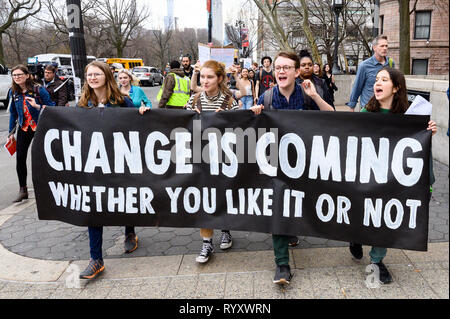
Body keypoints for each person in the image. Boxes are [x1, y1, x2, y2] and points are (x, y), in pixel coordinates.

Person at [250, 51, 334, 285]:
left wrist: (316, 97)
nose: (281, 71)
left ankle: (291, 230)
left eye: (287, 67)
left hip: (305, 165)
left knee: (298, 204)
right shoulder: (266, 98)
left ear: (297, 72)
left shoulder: (307, 96)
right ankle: (282, 265)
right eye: (278, 67)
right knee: (279, 207)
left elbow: (334, 119)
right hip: (276, 165)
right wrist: (254, 115)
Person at [348, 67, 437, 284]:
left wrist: (428, 132)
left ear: (396, 88)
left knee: (385, 220)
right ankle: (356, 236)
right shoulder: (366, 115)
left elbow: (419, 152)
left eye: (384, 80)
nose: (377, 83)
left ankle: (377, 261)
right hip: (368, 178)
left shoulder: (411, 116)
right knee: (366, 214)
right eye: (376, 79)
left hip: (393, 181)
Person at [77, 61, 134, 280]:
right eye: (89, 74)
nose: (92, 78)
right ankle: (96, 259)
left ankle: (130, 231)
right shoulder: (82, 104)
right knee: (93, 207)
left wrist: (142, 112)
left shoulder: (122, 101)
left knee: (125, 200)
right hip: (94, 165)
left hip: (120, 162)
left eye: (97, 74)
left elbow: (139, 127)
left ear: (107, 76)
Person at [187, 60, 239, 264]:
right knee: (203, 200)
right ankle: (207, 242)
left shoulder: (229, 101)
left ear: (219, 78)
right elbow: (180, 125)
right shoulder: (194, 99)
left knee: (223, 196)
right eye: (203, 77)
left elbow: (240, 129)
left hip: (224, 158)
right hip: (201, 158)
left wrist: (226, 119)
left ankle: (226, 229)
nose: (205, 81)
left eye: (210, 77)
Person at [7, 65, 55, 203]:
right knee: (20, 159)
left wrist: (36, 106)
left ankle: (47, 188)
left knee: (41, 159)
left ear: (27, 75)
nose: (17, 77)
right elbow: (13, 114)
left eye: (19, 75)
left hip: (40, 127)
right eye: (14, 75)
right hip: (24, 128)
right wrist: (11, 132)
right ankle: (23, 189)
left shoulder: (38, 90)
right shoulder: (13, 92)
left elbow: (51, 107)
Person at [346, 35, 394, 112]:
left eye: (386, 46)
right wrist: (352, 107)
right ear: (374, 48)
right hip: (368, 108)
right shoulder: (364, 66)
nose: (385, 48)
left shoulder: (391, 63)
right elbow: (357, 87)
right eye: (382, 46)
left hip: (385, 108)